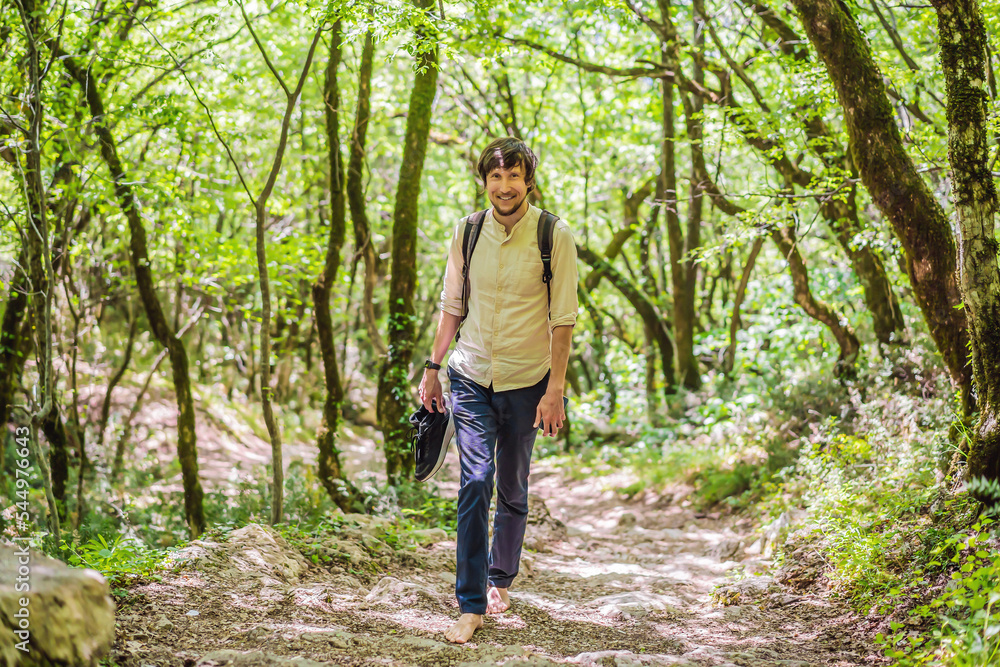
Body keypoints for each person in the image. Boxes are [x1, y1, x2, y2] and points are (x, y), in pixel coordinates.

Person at [418, 137, 578, 644]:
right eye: (495, 177)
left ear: (528, 179)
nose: (504, 187)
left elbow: (563, 321)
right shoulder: (466, 232)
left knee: (512, 486)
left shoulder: (554, 235)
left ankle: (500, 578)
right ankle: (470, 603)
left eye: (514, 176)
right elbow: (452, 306)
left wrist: (555, 390)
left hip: (528, 381)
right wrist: (433, 367)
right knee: (475, 479)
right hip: (471, 374)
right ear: (484, 180)